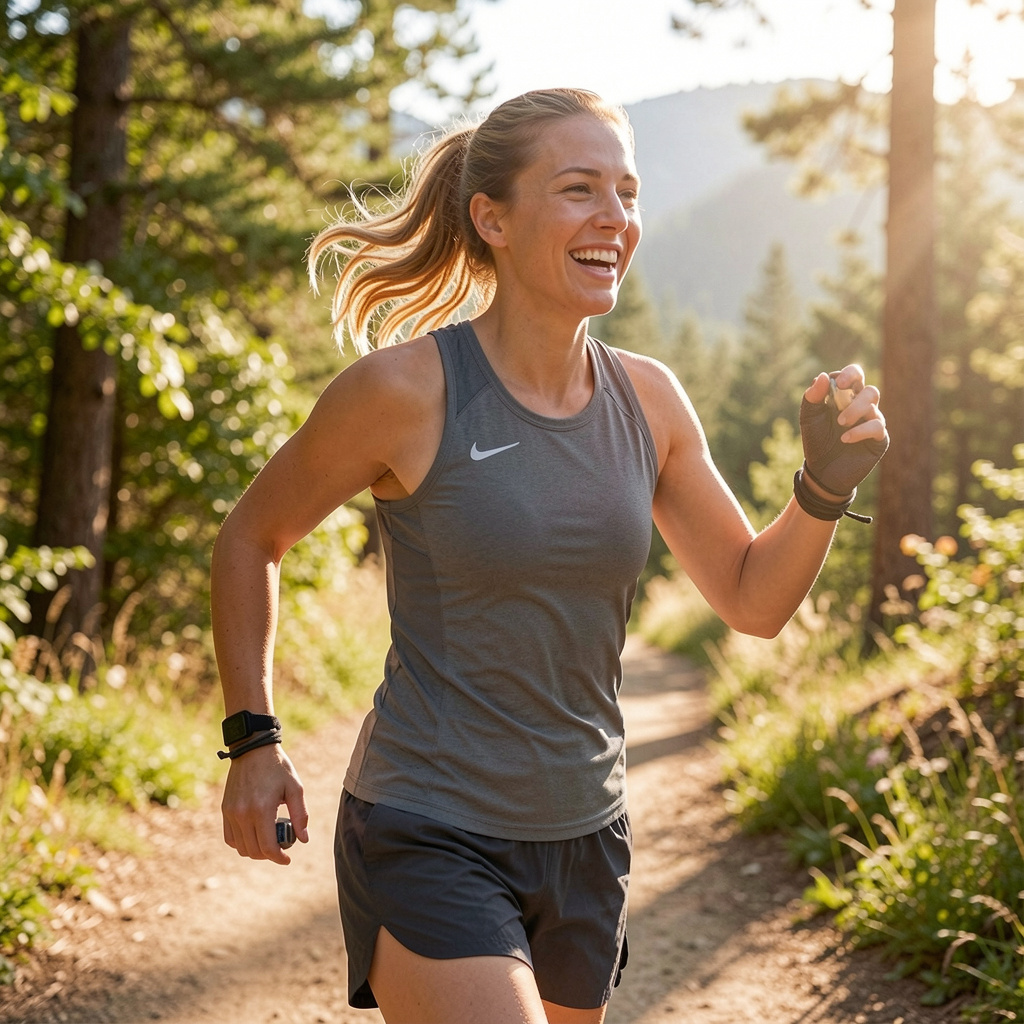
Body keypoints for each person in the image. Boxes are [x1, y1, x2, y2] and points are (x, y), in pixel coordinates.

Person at [211, 87, 888, 1024]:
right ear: (492, 218)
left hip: (586, 835)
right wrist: (254, 740)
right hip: (428, 823)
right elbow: (252, 537)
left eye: (628, 192)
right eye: (579, 189)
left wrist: (821, 489)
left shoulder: (649, 401)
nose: (615, 217)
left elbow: (751, 599)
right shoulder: (406, 390)